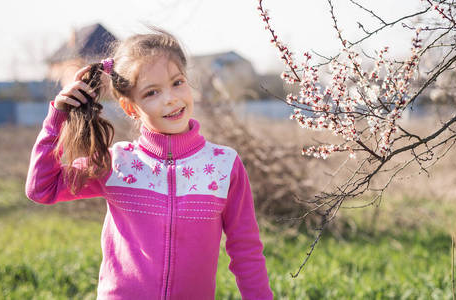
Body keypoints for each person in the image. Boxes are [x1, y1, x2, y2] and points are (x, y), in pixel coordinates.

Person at [25, 29, 274, 300]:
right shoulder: (116, 164)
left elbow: (245, 250)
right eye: (152, 92)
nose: (170, 98)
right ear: (131, 108)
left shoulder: (224, 166)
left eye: (177, 82)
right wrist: (57, 118)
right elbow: (42, 188)